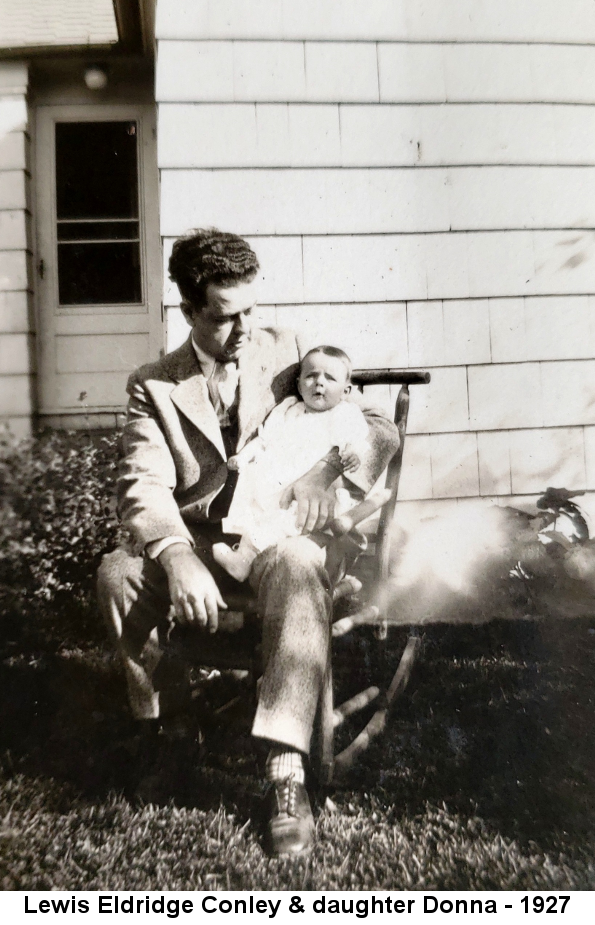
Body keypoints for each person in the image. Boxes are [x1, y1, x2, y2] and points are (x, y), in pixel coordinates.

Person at [97, 228, 400, 858]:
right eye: (225, 317)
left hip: (287, 532)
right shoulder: (153, 385)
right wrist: (176, 556)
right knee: (118, 573)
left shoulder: (289, 352)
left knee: (293, 563)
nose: (243, 331)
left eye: (250, 311)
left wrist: (326, 470)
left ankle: (286, 775)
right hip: (206, 542)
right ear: (187, 311)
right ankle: (170, 730)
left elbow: (373, 425)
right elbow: (143, 482)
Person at [212, 345, 370, 582]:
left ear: (346, 390)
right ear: (298, 384)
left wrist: (353, 454)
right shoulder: (288, 410)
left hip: (309, 490)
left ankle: (247, 559)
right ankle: (248, 559)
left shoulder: (345, 413)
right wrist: (243, 457)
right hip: (276, 483)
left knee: (292, 521)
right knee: (262, 514)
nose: (319, 383)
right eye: (311, 376)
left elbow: (359, 440)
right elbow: (263, 440)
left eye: (329, 378)